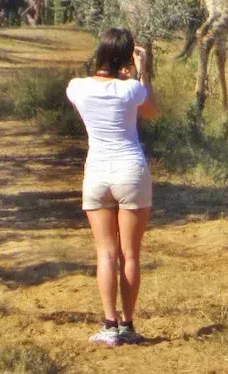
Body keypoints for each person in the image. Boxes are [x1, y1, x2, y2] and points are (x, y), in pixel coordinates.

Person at [66, 28, 158, 346]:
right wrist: (142, 73)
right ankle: (128, 326)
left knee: (105, 253)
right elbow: (152, 111)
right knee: (129, 254)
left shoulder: (77, 87)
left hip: (97, 173)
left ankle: (109, 325)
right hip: (130, 171)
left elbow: (94, 90)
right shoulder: (131, 89)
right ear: (126, 58)